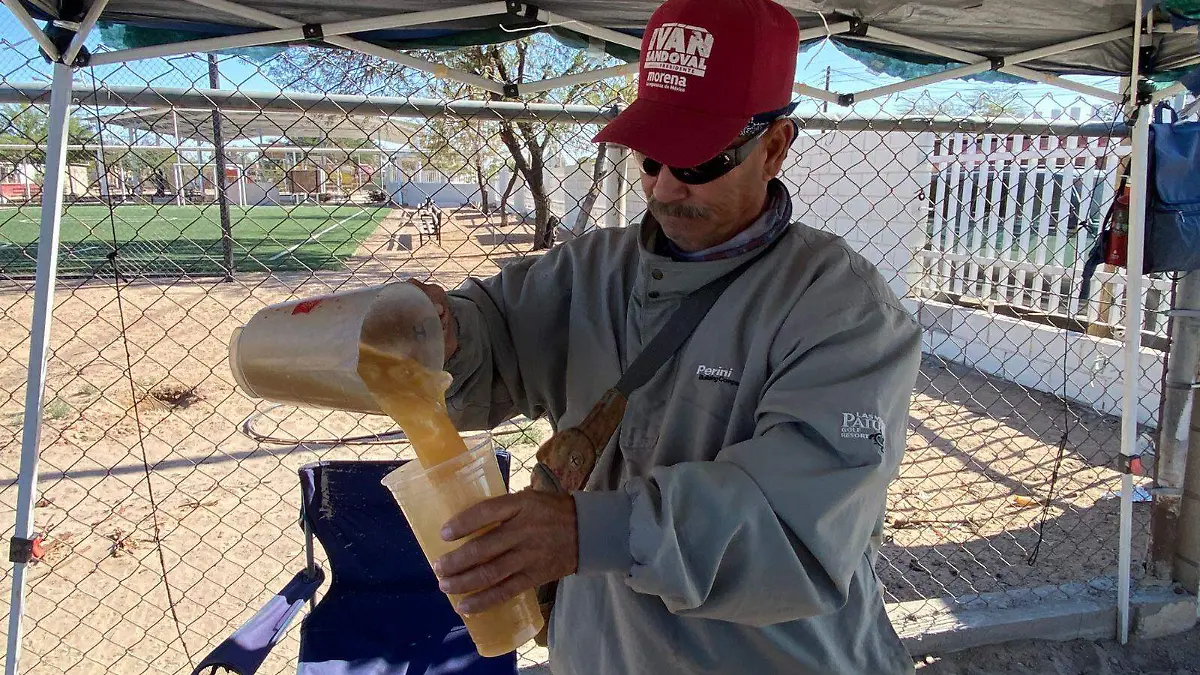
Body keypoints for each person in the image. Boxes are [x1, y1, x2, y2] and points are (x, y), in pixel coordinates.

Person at [411, 0, 922, 672]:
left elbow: (794, 528)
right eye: (651, 159)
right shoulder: (593, 269)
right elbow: (496, 333)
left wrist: (585, 532)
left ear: (774, 147)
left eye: (699, 163)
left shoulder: (840, 307)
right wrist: (446, 333)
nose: (666, 188)